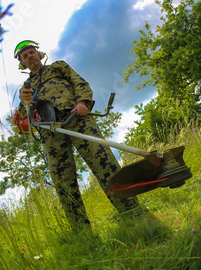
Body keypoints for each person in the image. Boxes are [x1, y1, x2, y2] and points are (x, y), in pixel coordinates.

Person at [15, 39, 142, 228]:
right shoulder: (26, 87)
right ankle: (82, 232)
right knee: (63, 182)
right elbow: (24, 120)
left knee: (104, 163)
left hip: (76, 118)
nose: (29, 56)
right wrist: (24, 102)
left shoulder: (58, 66)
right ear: (22, 63)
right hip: (51, 133)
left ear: (39, 54)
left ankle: (134, 214)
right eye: (25, 56)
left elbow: (79, 82)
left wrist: (83, 102)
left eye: (31, 52)